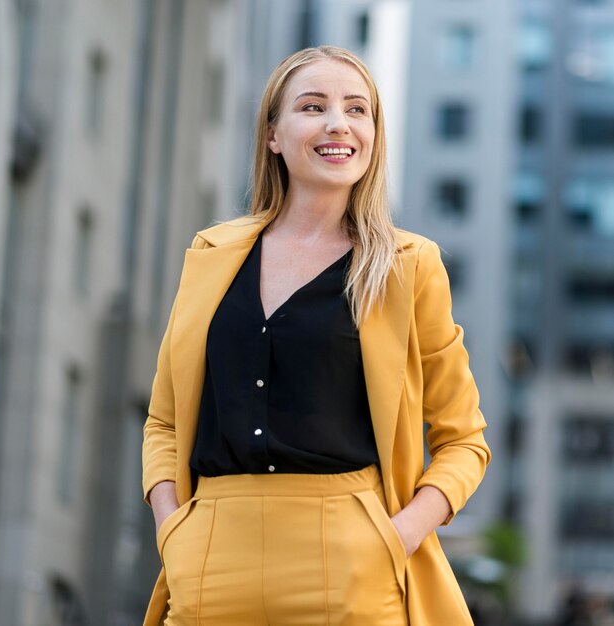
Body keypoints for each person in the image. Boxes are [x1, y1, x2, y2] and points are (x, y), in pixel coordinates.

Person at [142, 45, 491, 626]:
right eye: (313, 106)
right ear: (273, 134)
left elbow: (464, 440)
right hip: (207, 558)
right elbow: (165, 421)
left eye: (358, 110)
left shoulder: (408, 265)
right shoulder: (211, 254)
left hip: (351, 564)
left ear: (374, 135)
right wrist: (171, 526)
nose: (339, 123)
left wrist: (394, 537)